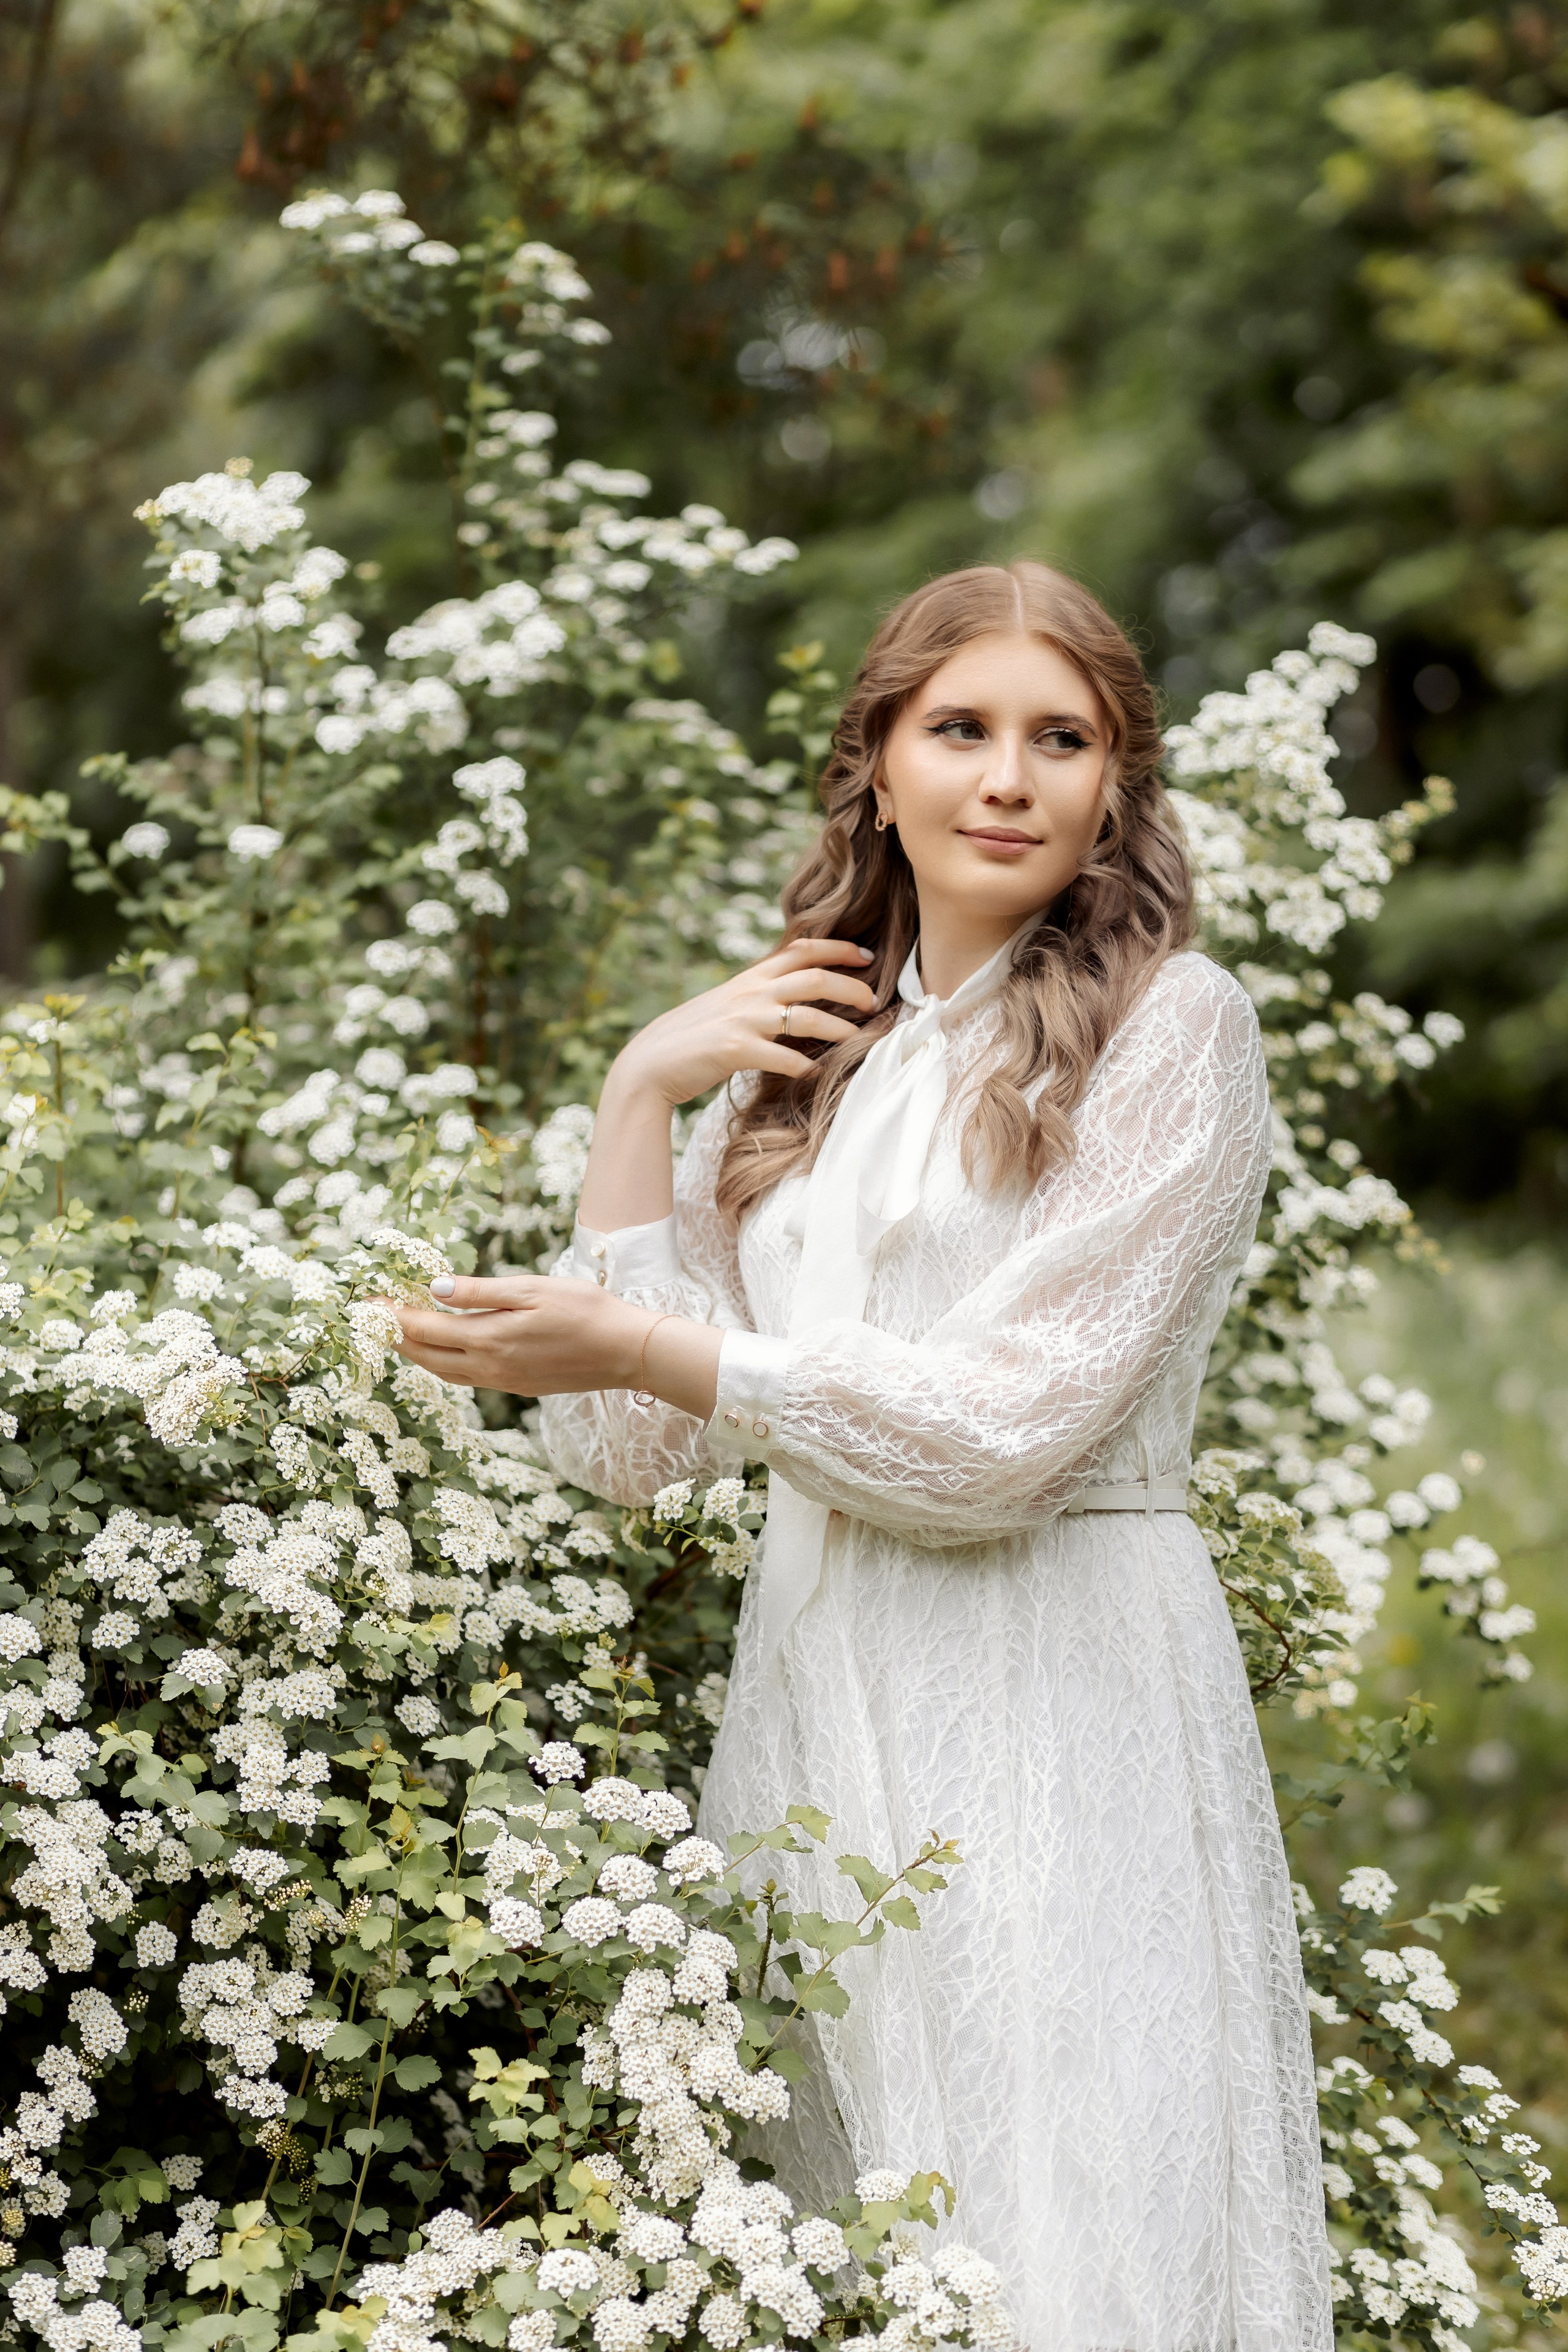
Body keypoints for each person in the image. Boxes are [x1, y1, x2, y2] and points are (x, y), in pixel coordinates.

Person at [390, 562, 1333, 2352]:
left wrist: (651, 1333)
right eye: (958, 729)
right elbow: (629, 1447)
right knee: (858, 2233)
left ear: (1118, 784)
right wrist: (639, 1097)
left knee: (1063, 2222)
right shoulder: (823, 1062)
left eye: (1062, 740)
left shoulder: (1175, 1035)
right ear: (879, 769)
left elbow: (1005, 1436)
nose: (1007, 778)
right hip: (822, 1697)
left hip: (1059, 1685)